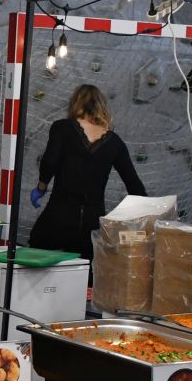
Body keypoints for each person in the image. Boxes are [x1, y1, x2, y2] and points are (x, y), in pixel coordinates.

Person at [27, 84, 147, 261]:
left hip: (59, 215)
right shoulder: (115, 142)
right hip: (92, 222)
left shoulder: (62, 127)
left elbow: (49, 161)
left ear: (76, 103)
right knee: (84, 270)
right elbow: (134, 184)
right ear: (101, 106)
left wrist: (41, 186)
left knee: (38, 259)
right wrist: (146, 222)